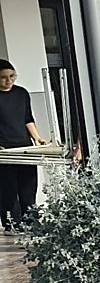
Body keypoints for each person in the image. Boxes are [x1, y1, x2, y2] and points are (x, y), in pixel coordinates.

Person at [0, 59, 48, 233]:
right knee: (8, 189)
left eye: (12, 76)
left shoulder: (22, 93)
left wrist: (37, 138)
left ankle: (31, 220)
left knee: (28, 186)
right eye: (4, 77)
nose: (9, 80)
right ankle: (12, 223)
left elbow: (28, 118)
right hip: (5, 150)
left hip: (24, 146)